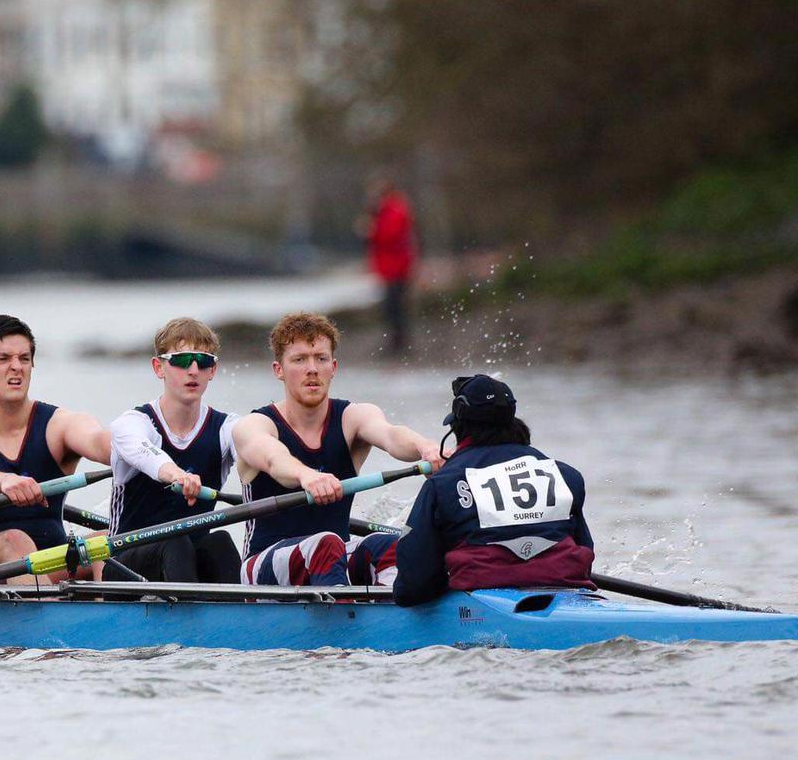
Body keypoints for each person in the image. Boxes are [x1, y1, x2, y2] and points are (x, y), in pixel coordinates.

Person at [233, 312, 443, 587]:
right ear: (279, 370)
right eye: (299, 360)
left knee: (390, 546)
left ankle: (391, 614)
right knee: (326, 543)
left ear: (333, 367)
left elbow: (391, 435)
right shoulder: (254, 425)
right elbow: (275, 460)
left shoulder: (353, 417)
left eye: (320, 359)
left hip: (332, 556)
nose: (312, 369)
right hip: (261, 566)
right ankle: (343, 622)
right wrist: (307, 476)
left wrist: (426, 448)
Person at [0, 314, 111, 583]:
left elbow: (99, 441)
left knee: (110, 540)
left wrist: (145, 453)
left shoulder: (58, 424)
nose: (16, 367)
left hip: (50, 563)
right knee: (15, 543)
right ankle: (50, 620)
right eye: (3, 359)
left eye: (24, 359)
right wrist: (4, 481)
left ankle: (106, 619)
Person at [392, 375, 594, 606]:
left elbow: (413, 585)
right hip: (567, 591)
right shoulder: (565, 475)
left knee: (374, 548)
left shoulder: (443, 483)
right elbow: (585, 556)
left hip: (480, 602)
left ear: (458, 426)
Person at [106, 317, 241, 583]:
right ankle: (186, 622)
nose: (193, 370)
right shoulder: (132, 423)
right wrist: (177, 475)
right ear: (159, 367)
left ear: (212, 370)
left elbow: (259, 449)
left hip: (189, 564)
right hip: (124, 569)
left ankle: (244, 618)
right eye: (181, 360)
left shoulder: (227, 428)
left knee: (221, 542)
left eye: (203, 361)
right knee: (175, 540)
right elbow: (145, 453)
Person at [361, 176, 418, 355]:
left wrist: (371, 230)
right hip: (390, 266)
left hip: (397, 266)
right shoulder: (386, 210)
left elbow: (389, 235)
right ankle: (396, 342)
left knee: (394, 306)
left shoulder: (394, 209)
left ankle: (399, 343)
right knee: (391, 306)